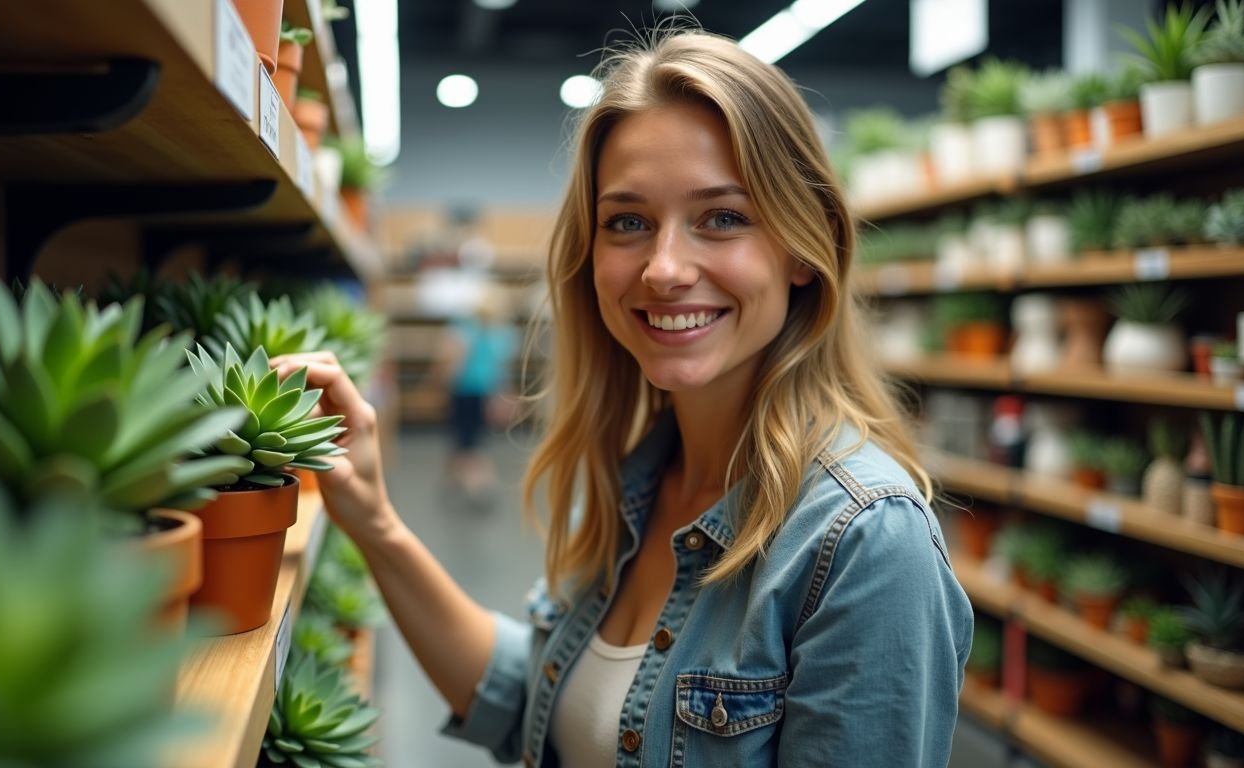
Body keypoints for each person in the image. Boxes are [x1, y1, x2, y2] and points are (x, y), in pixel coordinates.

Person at [273, 28, 973, 768]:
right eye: (629, 223)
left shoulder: (864, 544)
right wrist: (375, 522)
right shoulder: (636, 477)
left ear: (806, 248)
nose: (665, 269)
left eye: (723, 217)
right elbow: (545, 703)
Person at [430, 293, 520, 497]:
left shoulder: (488, 333)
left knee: (469, 437)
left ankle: (470, 479)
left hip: (475, 392)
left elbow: (500, 370)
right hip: (467, 391)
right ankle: (467, 478)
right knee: (467, 436)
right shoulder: (470, 331)